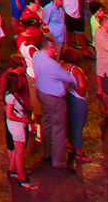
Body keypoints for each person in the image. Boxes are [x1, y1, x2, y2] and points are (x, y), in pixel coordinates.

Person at [31, 38, 71, 171]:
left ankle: (47, 152)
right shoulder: (52, 64)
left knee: (46, 121)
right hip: (54, 98)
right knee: (59, 128)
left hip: (42, 94)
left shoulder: (36, 55)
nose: (55, 51)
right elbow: (68, 78)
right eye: (53, 48)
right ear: (47, 48)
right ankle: (59, 161)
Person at [1, 69, 37, 191]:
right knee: (20, 153)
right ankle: (23, 179)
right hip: (17, 127)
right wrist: (24, 121)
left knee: (17, 151)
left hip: (17, 124)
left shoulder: (12, 94)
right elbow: (10, 114)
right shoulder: (11, 97)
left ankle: (13, 170)